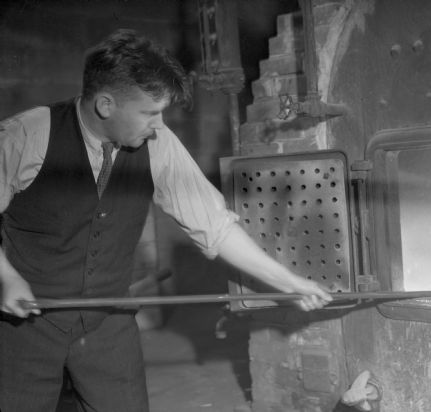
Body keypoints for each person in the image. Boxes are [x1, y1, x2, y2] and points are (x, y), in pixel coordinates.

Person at [0, 29, 332, 412]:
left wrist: (287, 282)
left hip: (107, 319)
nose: (158, 124)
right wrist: (6, 278)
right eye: (149, 112)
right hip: (27, 325)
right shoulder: (29, 135)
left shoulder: (158, 143)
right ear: (106, 105)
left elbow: (215, 225)